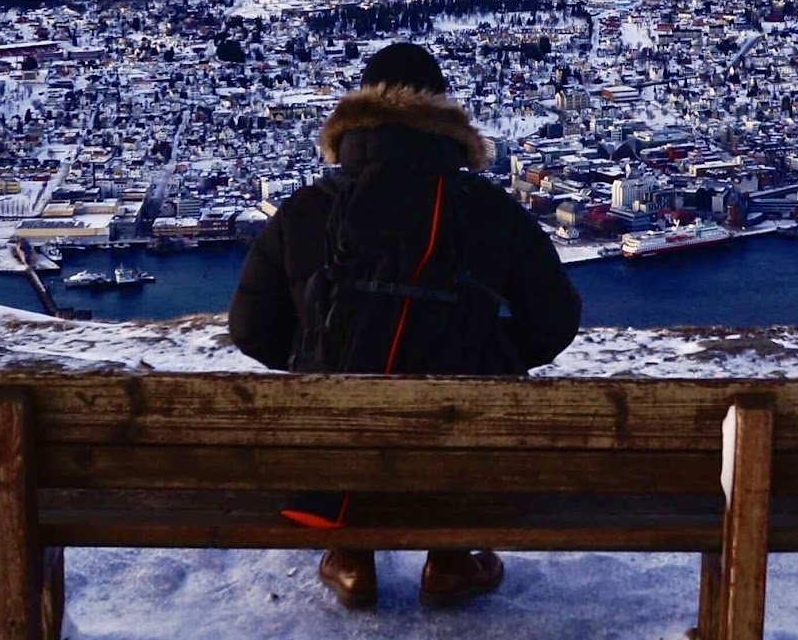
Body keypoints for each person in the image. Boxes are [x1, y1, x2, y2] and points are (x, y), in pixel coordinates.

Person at [229, 41, 582, 610]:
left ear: (356, 116)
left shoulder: (306, 210)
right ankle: (448, 559)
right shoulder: (490, 212)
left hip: (333, 461)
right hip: (456, 465)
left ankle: (350, 557)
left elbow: (249, 327)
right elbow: (555, 319)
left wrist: (318, 358)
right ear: (443, 115)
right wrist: (485, 356)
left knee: (351, 394)